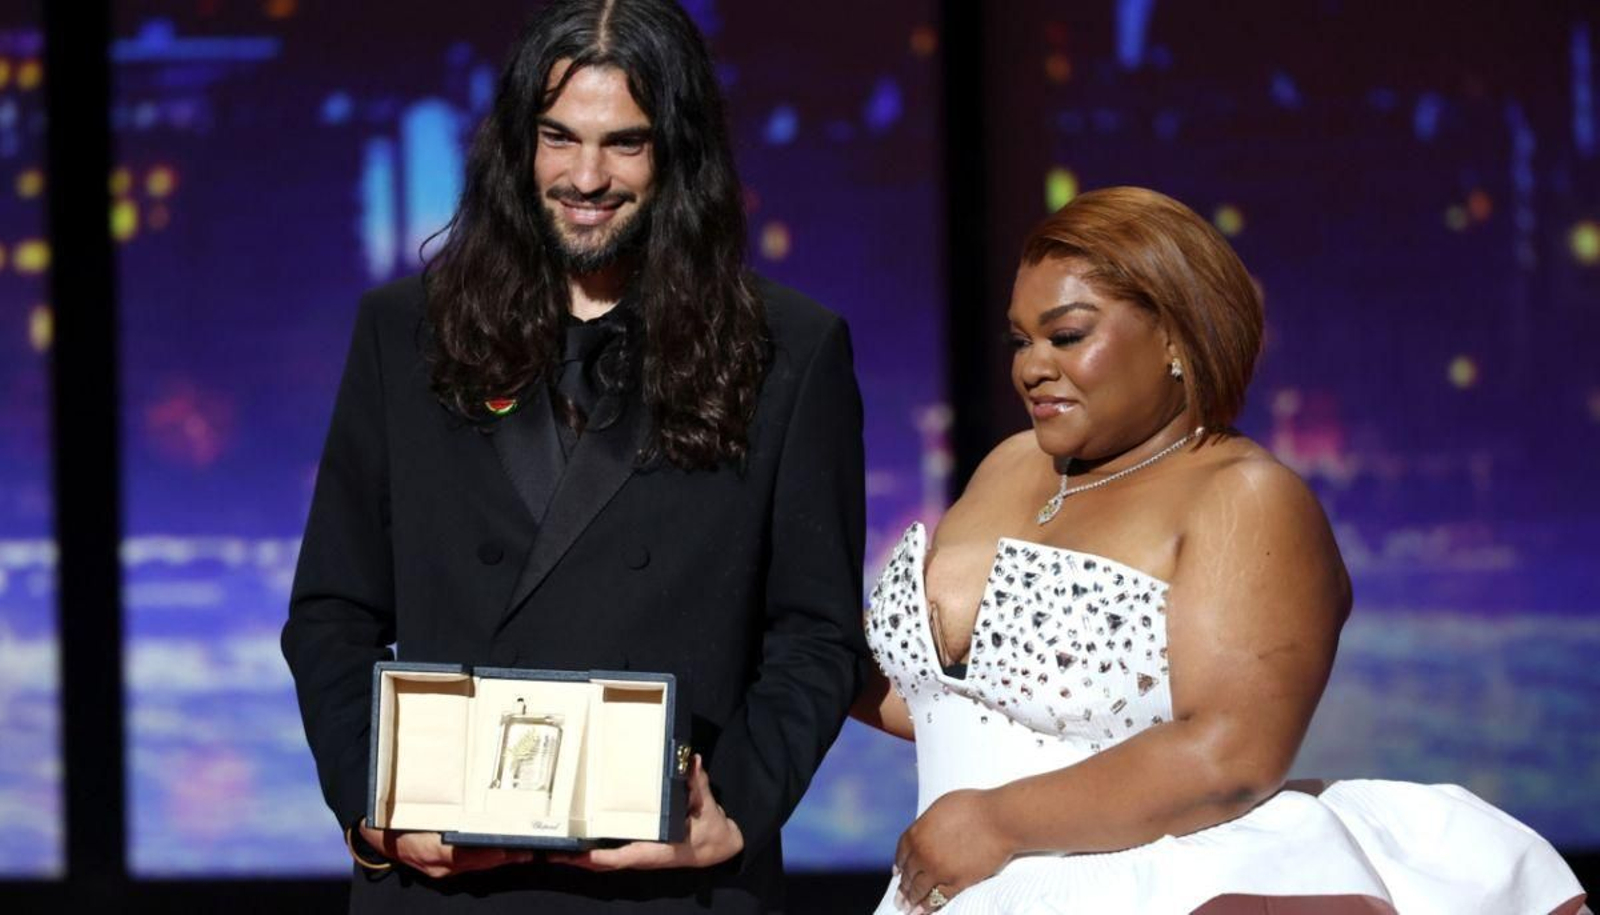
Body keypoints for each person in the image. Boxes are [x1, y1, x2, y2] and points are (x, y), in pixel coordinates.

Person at [853, 186, 1588, 914]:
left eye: (1066, 336)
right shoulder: (1011, 465)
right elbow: (961, 706)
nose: (1031, 367)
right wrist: (802, 659)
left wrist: (998, 822)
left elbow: (1231, 754)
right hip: (959, 887)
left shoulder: (1246, 496)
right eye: (1021, 340)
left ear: (1177, 337)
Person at [280, 1, 867, 911]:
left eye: (625, 144)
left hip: (674, 883)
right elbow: (332, 609)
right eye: (559, 137)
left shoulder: (787, 350)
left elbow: (816, 632)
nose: (586, 177)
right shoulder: (405, 334)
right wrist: (374, 810)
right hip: (446, 884)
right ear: (519, 144)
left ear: (679, 153)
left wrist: (738, 811)